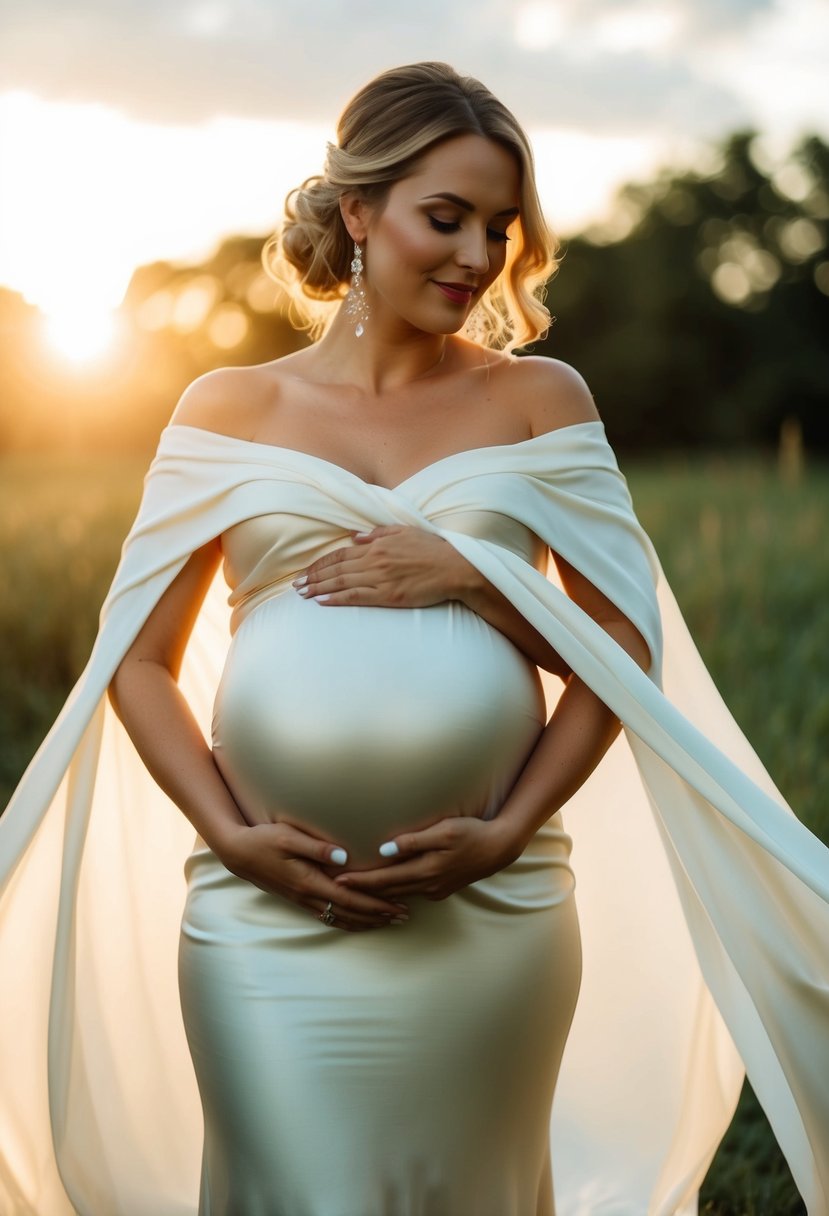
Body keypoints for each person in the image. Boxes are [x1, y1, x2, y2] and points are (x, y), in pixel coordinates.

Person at [0, 61, 827, 1216]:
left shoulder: (541, 400)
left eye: (498, 227)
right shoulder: (225, 410)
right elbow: (135, 661)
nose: (478, 257)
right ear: (358, 212)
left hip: (494, 918)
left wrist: (481, 610)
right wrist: (230, 834)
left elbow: (621, 647)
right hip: (263, 924)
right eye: (446, 218)